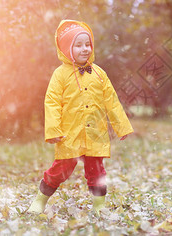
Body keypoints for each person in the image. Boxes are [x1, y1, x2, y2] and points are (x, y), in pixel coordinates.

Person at [27, 20, 133, 214]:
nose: (85, 49)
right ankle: (40, 200)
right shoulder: (60, 75)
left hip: (95, 133)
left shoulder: (100, 74)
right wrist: (53, 130)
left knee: (97, 171)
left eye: (87, 44)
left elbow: (112, 101)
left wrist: (122, 127)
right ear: (68, 48)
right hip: (70, 134)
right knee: (61, 170)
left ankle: (99, 207)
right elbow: (51, 102)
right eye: (78, 45)